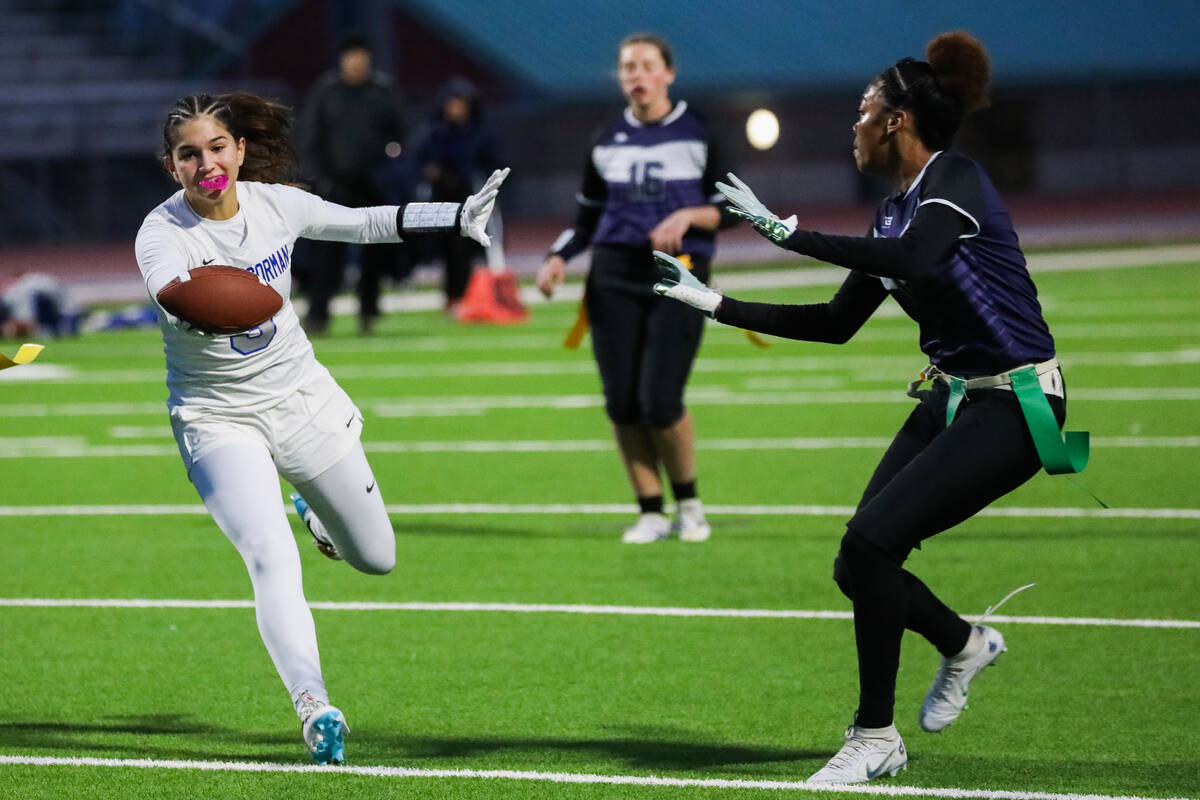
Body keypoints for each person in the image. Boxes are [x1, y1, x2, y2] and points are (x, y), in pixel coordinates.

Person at [654, 31, 1080, 783]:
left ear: (894, 121)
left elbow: (917, 260)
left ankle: (875, 735)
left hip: (1017, 405)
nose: (852, 124)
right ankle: (963, 643)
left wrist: (788, 234)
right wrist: (713, 304)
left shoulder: (955, 179)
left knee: (874, 545)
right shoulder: (891, 214)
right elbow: (834, 323)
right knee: (859, 560)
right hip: (955, 398)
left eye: (862, 109)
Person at [134, 91, 507, 764]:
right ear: (172, 167)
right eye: (190, 154)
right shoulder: (161, 234)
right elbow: (172, 289)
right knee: (268, 557)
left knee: (376, 557)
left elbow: (363, 223)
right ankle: (315, 707)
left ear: (240, 151)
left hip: (300, 395)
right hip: (217, 416)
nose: (207, 163)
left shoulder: (276, 203)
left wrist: (455, 215)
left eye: (218, 147)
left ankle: (315, 512)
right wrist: (201, 297)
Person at [536, 33, 739, 544]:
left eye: (647, 65)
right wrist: (558, 256)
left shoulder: (699, 132)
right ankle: (650, 509)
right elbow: (586, 218)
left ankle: (689, 505)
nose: (637, 75)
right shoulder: (605, 139)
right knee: (622, 403)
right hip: (613, 275)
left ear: (668, 73)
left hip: (679, 274)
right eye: (628, 67)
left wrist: (689, 213)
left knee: (660, 400)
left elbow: (736, 209)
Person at [297, 33, 409, 335]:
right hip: (335, 186)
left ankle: (368, 313)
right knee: (328, 255)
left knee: (374, 253)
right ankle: (318, 315)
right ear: (342, 59)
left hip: (373, 185)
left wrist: (389, 169)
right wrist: (319, 175)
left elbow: (400, 133)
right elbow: (311, 135)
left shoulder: (382, 92)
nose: (356, 62)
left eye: (362, 56)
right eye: (352, 56)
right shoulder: (327, 92)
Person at [411, 77, 504, 315]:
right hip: (441, 197)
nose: (457, 109)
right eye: (453, 103)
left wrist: (491, 197)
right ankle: (452, 296)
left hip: (470, 196)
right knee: (446, 249)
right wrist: (430, 172)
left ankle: (469, 296)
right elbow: (417, 159)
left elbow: (493, 165)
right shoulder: (433, 130)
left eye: (462, 104)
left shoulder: (480, 132)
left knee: (468, 249)